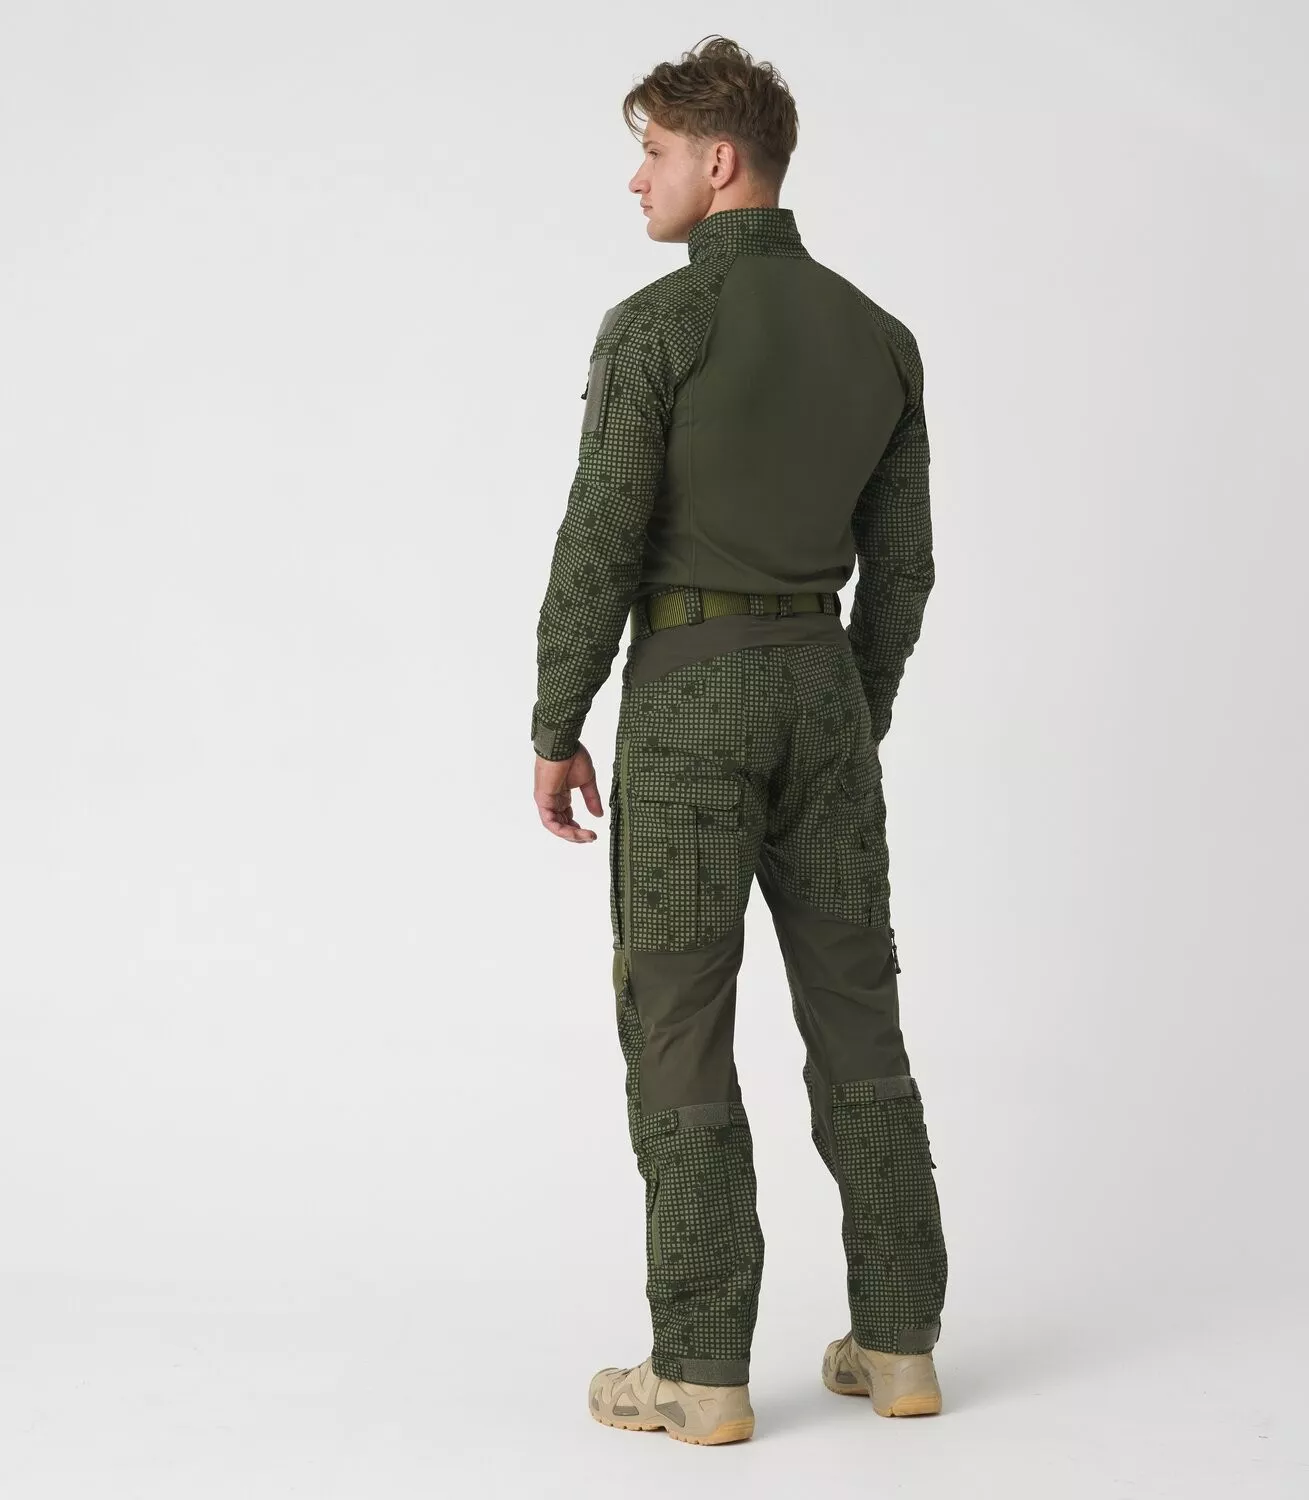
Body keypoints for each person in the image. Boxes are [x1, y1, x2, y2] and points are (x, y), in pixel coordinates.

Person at [530, 35, 949, 1445]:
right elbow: (904, 569)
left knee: (680, 1023)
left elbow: (601, 539)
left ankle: (702, 1371)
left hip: (691, 699)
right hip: (822, 689)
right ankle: (901, 1344)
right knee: (858, 1015)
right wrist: (851, 705)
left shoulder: (657, 326)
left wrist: (557, 717)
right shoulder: (880, 336)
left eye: (652, 150)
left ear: (720, 162)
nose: (635, 177)